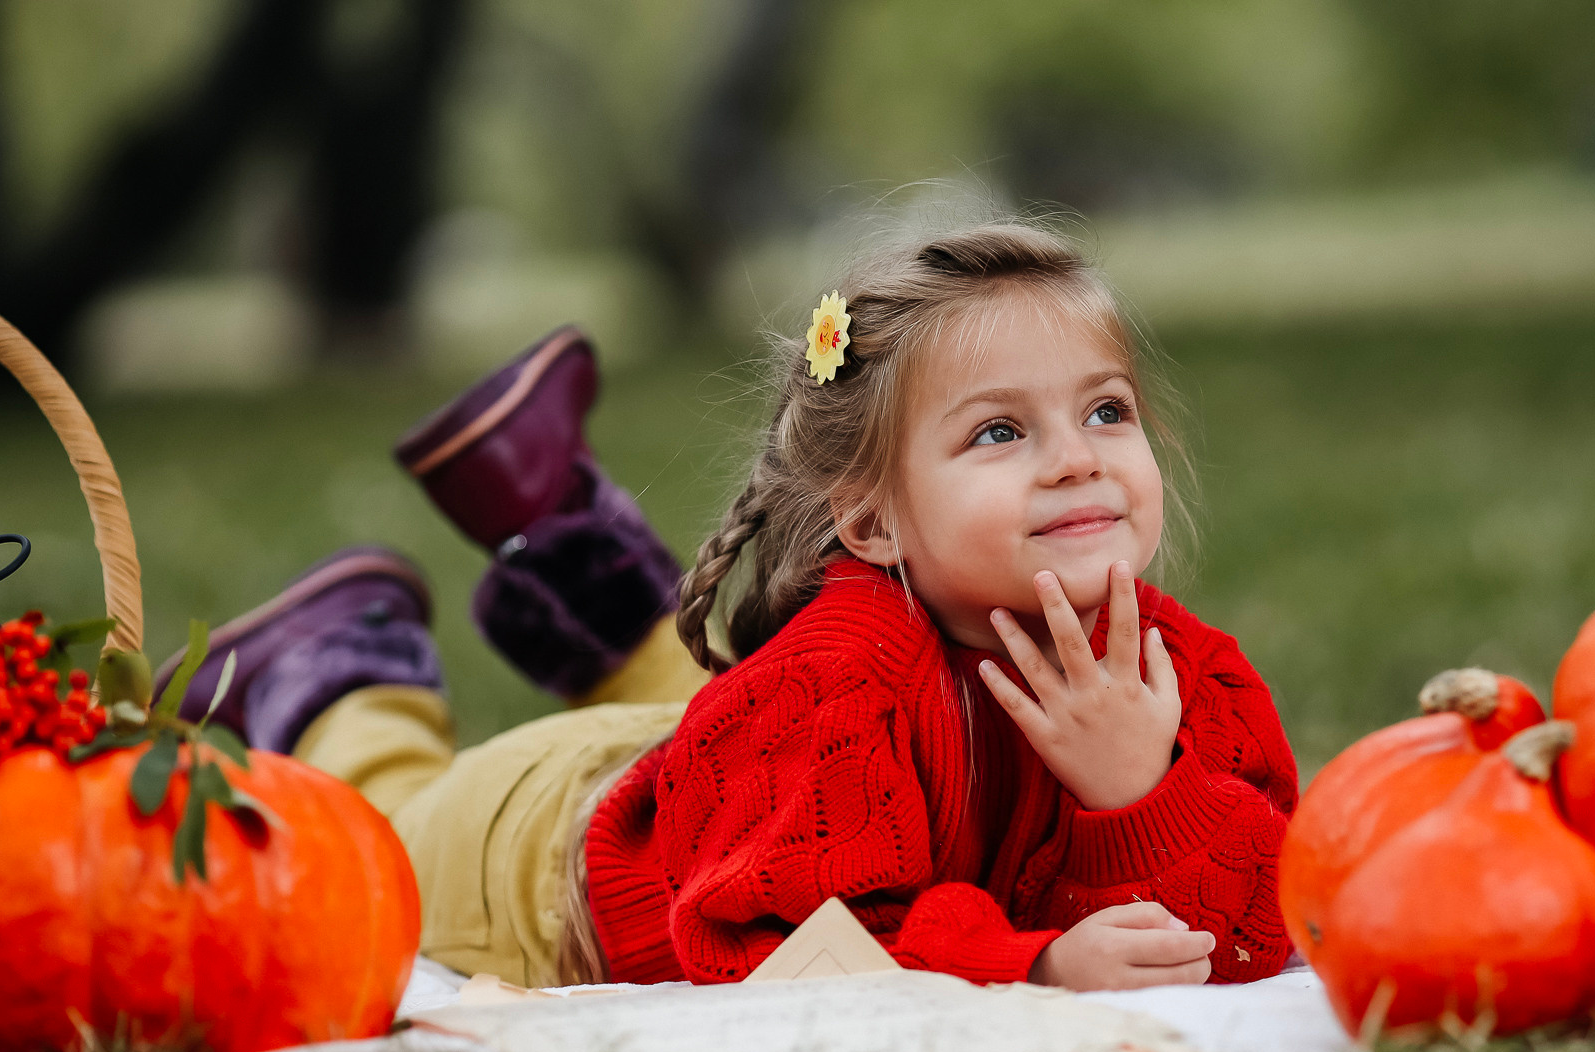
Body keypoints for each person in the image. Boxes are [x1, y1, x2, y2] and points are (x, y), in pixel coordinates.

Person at [159, 218, 1296, 992]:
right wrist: (1034, 965)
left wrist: (1140, 792)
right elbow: (788, 952)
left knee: (740, 722)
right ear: (876, 524)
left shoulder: (1183, 674)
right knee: (361, 851)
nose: (1076, 460)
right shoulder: (841, 679)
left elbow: (1270, 927)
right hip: (530, 872)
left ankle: (572, 546)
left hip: (723, 774)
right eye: (1001, 431)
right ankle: (339, 676)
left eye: (1106, 412)